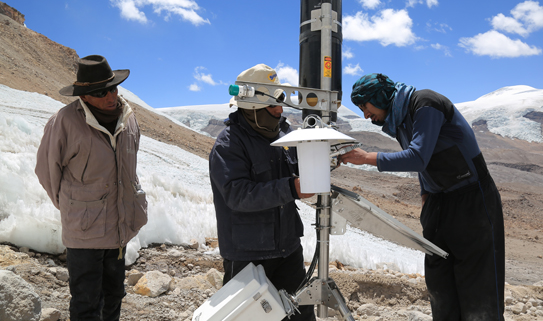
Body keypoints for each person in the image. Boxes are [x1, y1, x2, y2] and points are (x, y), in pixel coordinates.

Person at [339, 73, 505, 321]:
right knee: (441, 284)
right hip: (439, 203)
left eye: (365, 106)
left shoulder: (425, 103)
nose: (365, 115)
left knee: (478, 287)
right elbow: (423, 163)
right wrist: (427, 195)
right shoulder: (401, 119)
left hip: (472, 200)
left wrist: (366, 158)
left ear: (379, 97)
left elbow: (418, 157)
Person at [35, 55, 148, 321]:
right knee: (86, 302)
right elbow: (46, 170)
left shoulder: (129, 119)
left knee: (113, 297)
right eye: (101, 92)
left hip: (119, 227)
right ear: (84, 96)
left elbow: (129, 168)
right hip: (84, 233)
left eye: (113, 88)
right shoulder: (65, 121)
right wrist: (76, 207)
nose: (110, 96)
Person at [209, 64, 316, 321]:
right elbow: (237, 194)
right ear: (251, 108)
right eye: (272, 107)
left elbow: (302, 166)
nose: (279, 111)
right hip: (248, 256)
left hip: (288, 250)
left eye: (280, 105)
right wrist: (291, 188)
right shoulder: (228, 144)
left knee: (300, 316)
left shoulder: (285, 135)